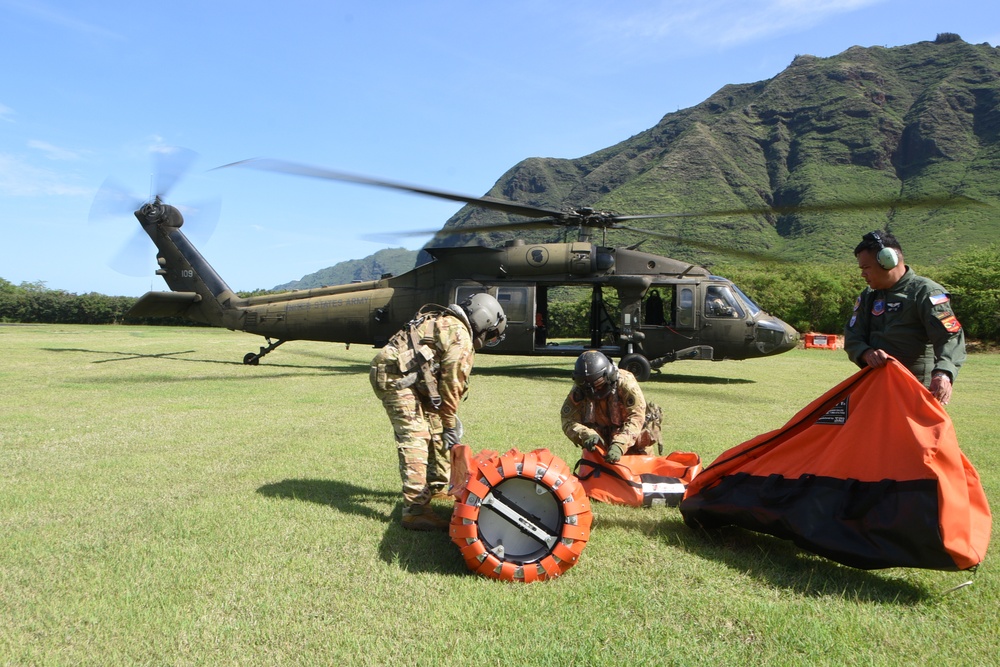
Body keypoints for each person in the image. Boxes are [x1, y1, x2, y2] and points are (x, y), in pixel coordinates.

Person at [370, 293, 507, 531]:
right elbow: (452, 386)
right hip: (396, 377)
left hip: (409, 377)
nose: (487, 339)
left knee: (435, 427)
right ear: (485, 321)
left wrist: (445, 422)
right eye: (491, 334)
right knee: (415, 436)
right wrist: (451, 424)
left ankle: (435, 487)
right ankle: (415, 510)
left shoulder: (448, 322)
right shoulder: (461, 336)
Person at [844, 230, 965, 405]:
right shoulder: (869, 295)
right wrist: (866, 352)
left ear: (888, 261)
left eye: (866, 268)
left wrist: (943, 373)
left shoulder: (926, 292)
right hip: (876, 388)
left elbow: (950, 336)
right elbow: (853, 334)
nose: (863, 274)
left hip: (916, 392)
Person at [560, 350, 663, 464]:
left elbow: (637, 417)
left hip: (634, 445)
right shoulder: (581, 388)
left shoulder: (625, 382)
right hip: (602, 449)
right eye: (589, 389)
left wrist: (620, 444)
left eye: (599, 385)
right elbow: (568, 420)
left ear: (609, 376)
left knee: (640, 478)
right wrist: (587, 434)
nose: (595, 392)